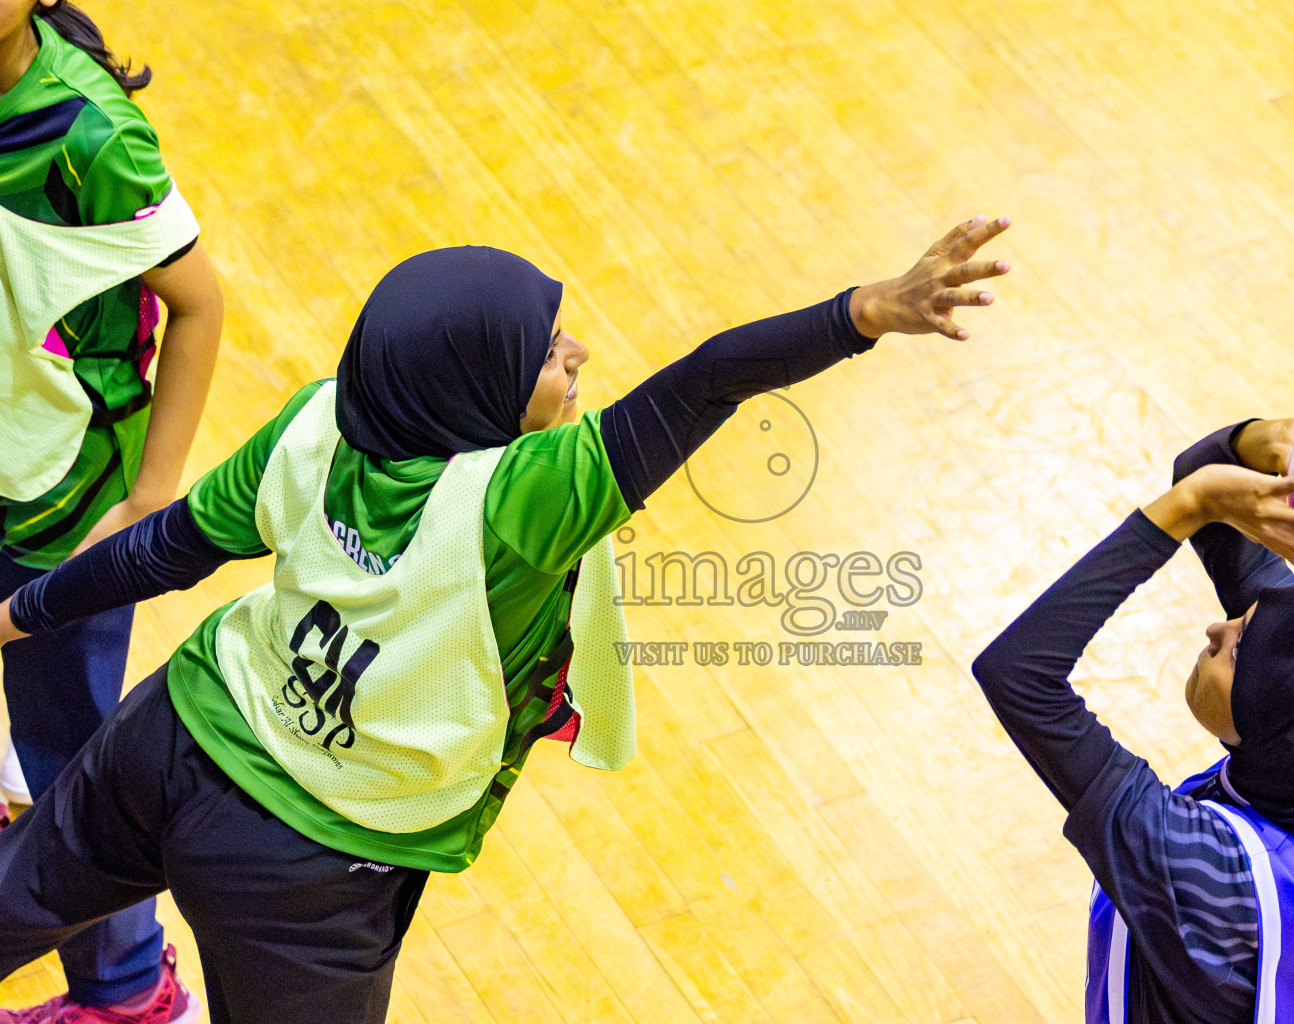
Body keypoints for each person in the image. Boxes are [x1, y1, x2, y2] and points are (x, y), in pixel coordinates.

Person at [0, 215, 1011, 1022]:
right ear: (472, 388)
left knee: (11, 905)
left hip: (168, 736)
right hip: (307, 861)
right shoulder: (522, 501)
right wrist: (866, 309)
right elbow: (707, 383)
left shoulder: (323, 415)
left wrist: (15, 614)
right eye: (541, 346)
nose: (575, 347)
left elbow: (164, 548)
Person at [971, 418, 1294, 1023]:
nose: (1216, 629)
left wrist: (1186, 506)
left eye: (1237, 647)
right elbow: (1216, 487)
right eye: (1245, 617)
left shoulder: (1207, 882)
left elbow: (1018, 675)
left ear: (1277, 736)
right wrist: (1267, 442)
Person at [0, 0, 223, 1019]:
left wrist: (148, 498)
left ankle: (129, 988)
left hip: (63, 502)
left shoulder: (86, 135)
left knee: (71, 748)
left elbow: (201, 300)